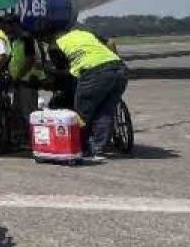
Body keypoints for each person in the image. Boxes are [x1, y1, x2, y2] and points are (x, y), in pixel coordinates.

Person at [41, 23, 128, 159]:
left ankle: (83, 146)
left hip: (94, 73)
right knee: (105, 110)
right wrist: (113, 61)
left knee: (82, 113)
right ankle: (99, 147)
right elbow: (111, 42)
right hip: (119, 68)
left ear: (48, 36)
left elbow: (64, 73)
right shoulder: (83, 33)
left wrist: (45, 70)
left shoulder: (54, 46)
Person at [2, 15, 43, 120]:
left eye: (6, 26)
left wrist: (17, 76)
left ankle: (32, 135)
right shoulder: (16, 40)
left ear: (14, 25)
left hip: (27, 81)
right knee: (18, 111)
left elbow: (29, 61)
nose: (4, 29)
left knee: (29, 113)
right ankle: (23, 135)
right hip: (19, 81)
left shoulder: (26, 38)